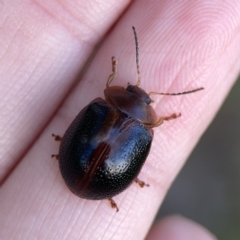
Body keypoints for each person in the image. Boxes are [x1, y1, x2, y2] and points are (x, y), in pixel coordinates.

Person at [1, 1, 239, 239]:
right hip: (90, 176)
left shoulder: (102, 107)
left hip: (77, 168)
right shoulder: (144, 130)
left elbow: (81, 126)